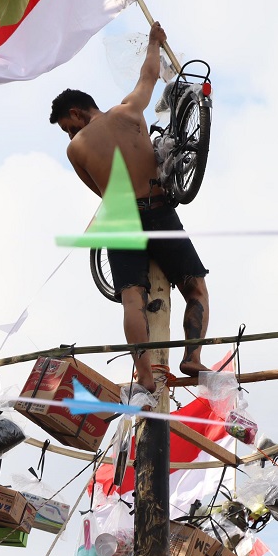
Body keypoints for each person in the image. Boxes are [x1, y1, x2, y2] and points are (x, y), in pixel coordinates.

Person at [50, 21, 210, 394]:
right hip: (157, 206)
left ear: (75, 112)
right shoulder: (129, 111)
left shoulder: (75, 150)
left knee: (132, 295)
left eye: (66, 126)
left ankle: (144, 376)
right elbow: (149, 74)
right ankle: (192, 356)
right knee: (196, 287)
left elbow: (101, 190)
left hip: (120, 215)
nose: (69, 135)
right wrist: (155, 41)